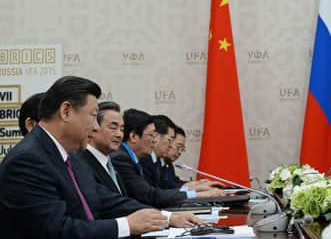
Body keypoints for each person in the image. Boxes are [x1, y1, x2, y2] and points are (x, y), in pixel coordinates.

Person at [0, 76, 202, 239]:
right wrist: (126, 226)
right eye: (93, 116)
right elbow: (56, 230)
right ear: (66, 111)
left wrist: (166, 218)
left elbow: (106, 200)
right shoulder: (27, 160)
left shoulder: (73, 155)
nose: (96, 127)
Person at [110, 109, 224, 208]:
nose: (154, 141)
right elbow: (149, 195)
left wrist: (193, 188)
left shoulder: (133, 157)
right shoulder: (122, 159)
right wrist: (196, 193)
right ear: (133, 136)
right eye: (151, 135)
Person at [79, 101, 129, 196]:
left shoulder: (112, 162)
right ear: (94, 128)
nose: (119, 134)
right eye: (113, 128)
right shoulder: (82, 163)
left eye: (122, 129)